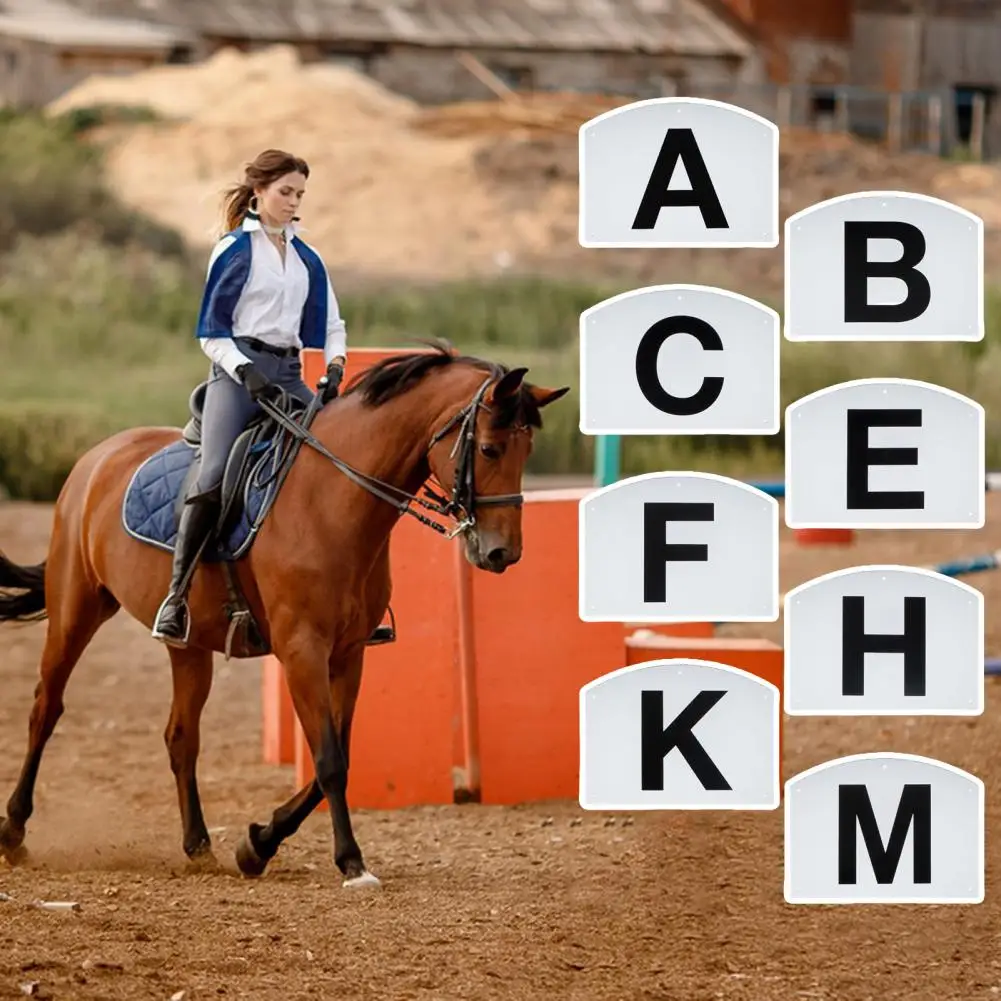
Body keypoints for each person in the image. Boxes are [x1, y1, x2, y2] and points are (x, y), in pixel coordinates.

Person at [151, 148, 348, 647]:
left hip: (288, 372)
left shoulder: (308, 256)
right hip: (236, 376)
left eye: (300, 194)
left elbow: (331, 324)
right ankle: (175, 598)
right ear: (258, 192)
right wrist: (246, 373)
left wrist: (335, 366)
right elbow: (210, 333)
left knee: (333, 465)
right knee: (213, 475)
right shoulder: (234, 250)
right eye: (286, 192)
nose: (293, 202)